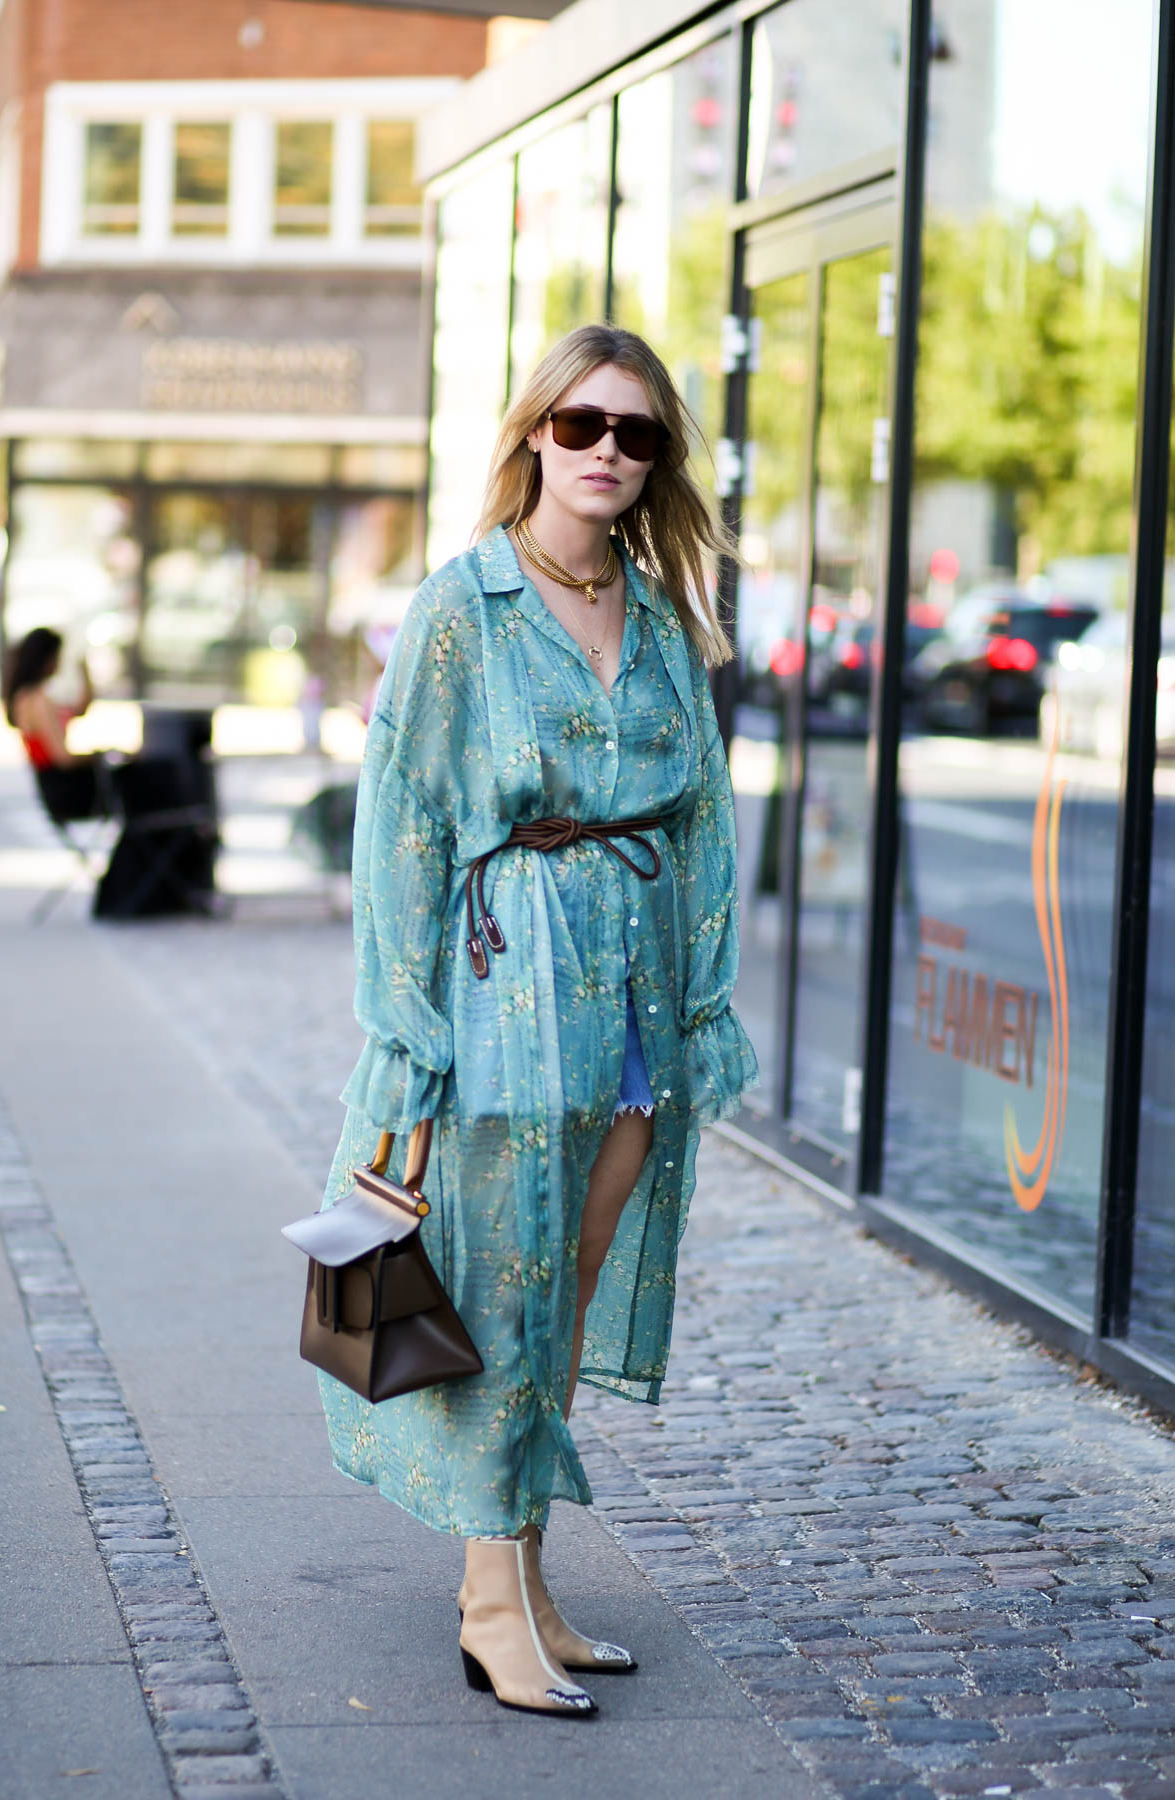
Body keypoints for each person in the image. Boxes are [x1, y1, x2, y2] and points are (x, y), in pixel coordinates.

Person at [317, 323, 758, 1717]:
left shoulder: (662, 615)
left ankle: (527, 1579)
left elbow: (703, 819)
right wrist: (409, 1032)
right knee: (505, 1289)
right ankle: (487, 1603)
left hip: (633, 996)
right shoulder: (464, 606)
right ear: (534, 436)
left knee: (562, 1292)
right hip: (506, 985)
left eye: (638, 432)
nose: (608, 451)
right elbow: (402, 828)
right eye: (583, 424)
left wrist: (702, 1005)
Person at [3, 627, 104, 818]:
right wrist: (100, 755)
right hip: (65, 789)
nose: (59, 662)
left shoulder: (25, 697)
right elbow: (64, 759)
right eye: (57, 656)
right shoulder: (39, 701)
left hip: (53, 787)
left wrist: (84, 671)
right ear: (46, 659)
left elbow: (80, 708)